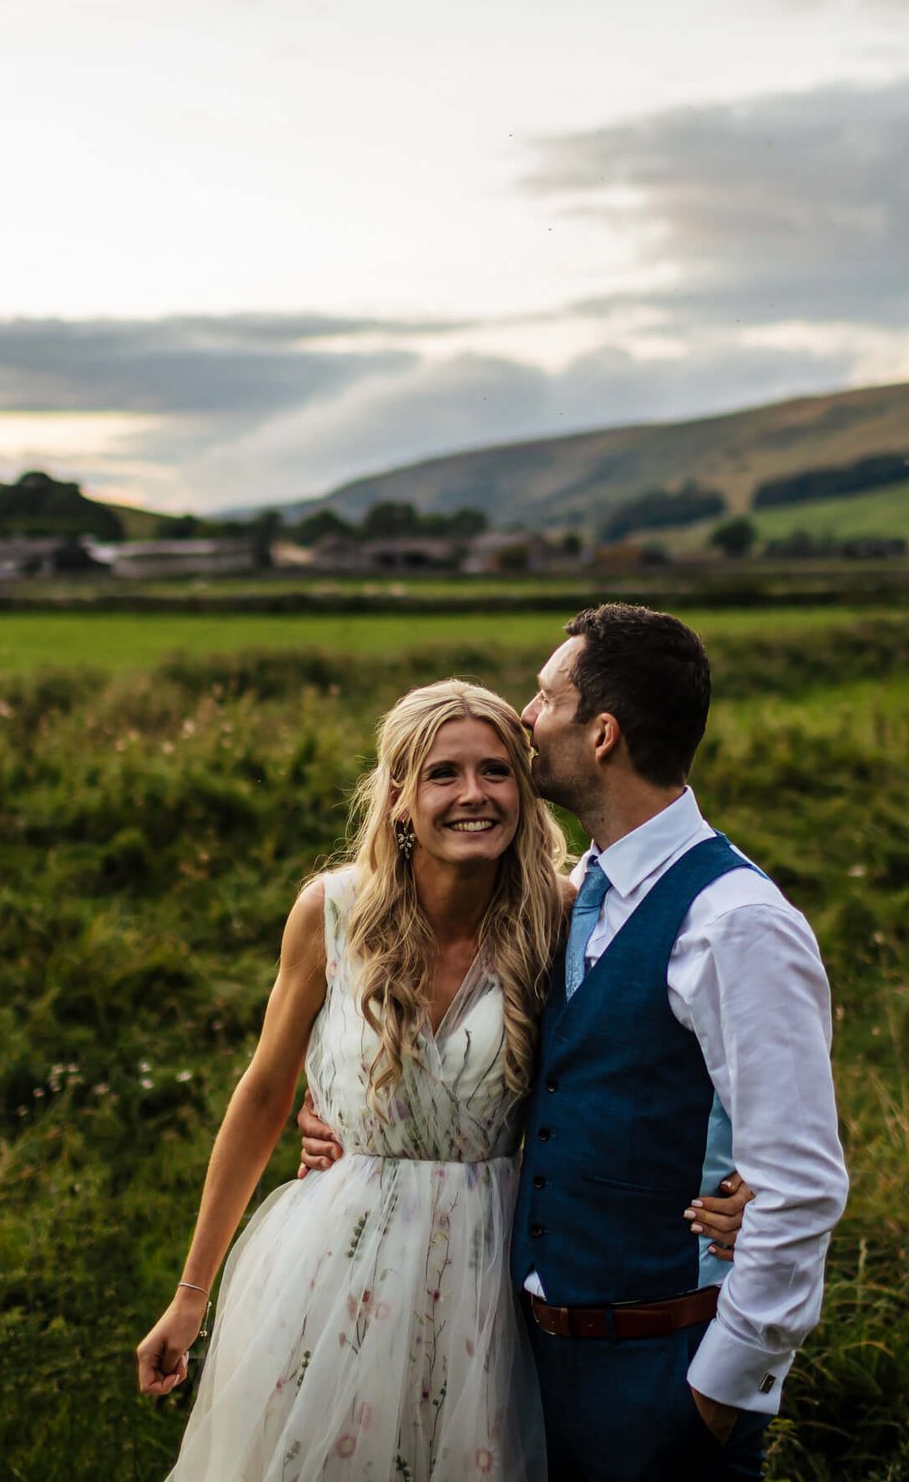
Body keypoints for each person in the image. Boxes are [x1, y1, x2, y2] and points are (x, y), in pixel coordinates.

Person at [135, 678, 750, 1479]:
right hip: (334, 1255)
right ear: (398, 798)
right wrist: (191, 1292)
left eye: (496, 771)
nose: (474, 795)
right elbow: (262, 1094)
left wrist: (741, 1176)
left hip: (488, 1264)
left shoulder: (558, 918)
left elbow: (648, 1059)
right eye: (442, 773)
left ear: (524, 793)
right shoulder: (331, 911)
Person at [302, 605, 848, 1480]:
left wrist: (718, 1391)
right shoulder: (574, 892)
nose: (525, 713)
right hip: (528, 1364)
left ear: (601, 733)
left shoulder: (733, 921)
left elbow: (805, 1184)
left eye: (545, 695)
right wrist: (342, 1104)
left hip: (663, 1372)